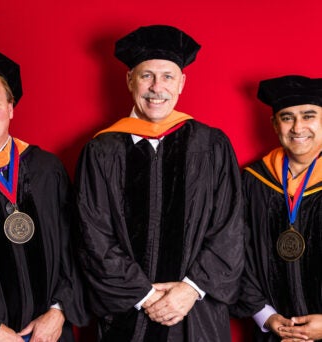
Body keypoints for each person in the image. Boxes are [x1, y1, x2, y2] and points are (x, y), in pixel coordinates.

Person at [75, 24, 244, 341]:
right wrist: (144, 295)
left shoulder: (211, 145)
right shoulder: (101, 151)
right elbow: (92, 234)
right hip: (127, 315)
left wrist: (191, 289)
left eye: (167, 76)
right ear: (129, 80)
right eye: (146, 75)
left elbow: (230, 227)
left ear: (181, 83)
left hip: (196, 316)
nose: (157, 87)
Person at [0, 48, 88, 341]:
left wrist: (59, 310)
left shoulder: (46, 169)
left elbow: (77, 246)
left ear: (11, 107)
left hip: (50, 333)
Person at [231, 75, 322, 342]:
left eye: (308, 116)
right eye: (286, 117)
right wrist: (265, 315)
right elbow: (235, 253)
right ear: (274, 124)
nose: (297, 127)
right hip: (272, 333)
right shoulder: (253, 181)